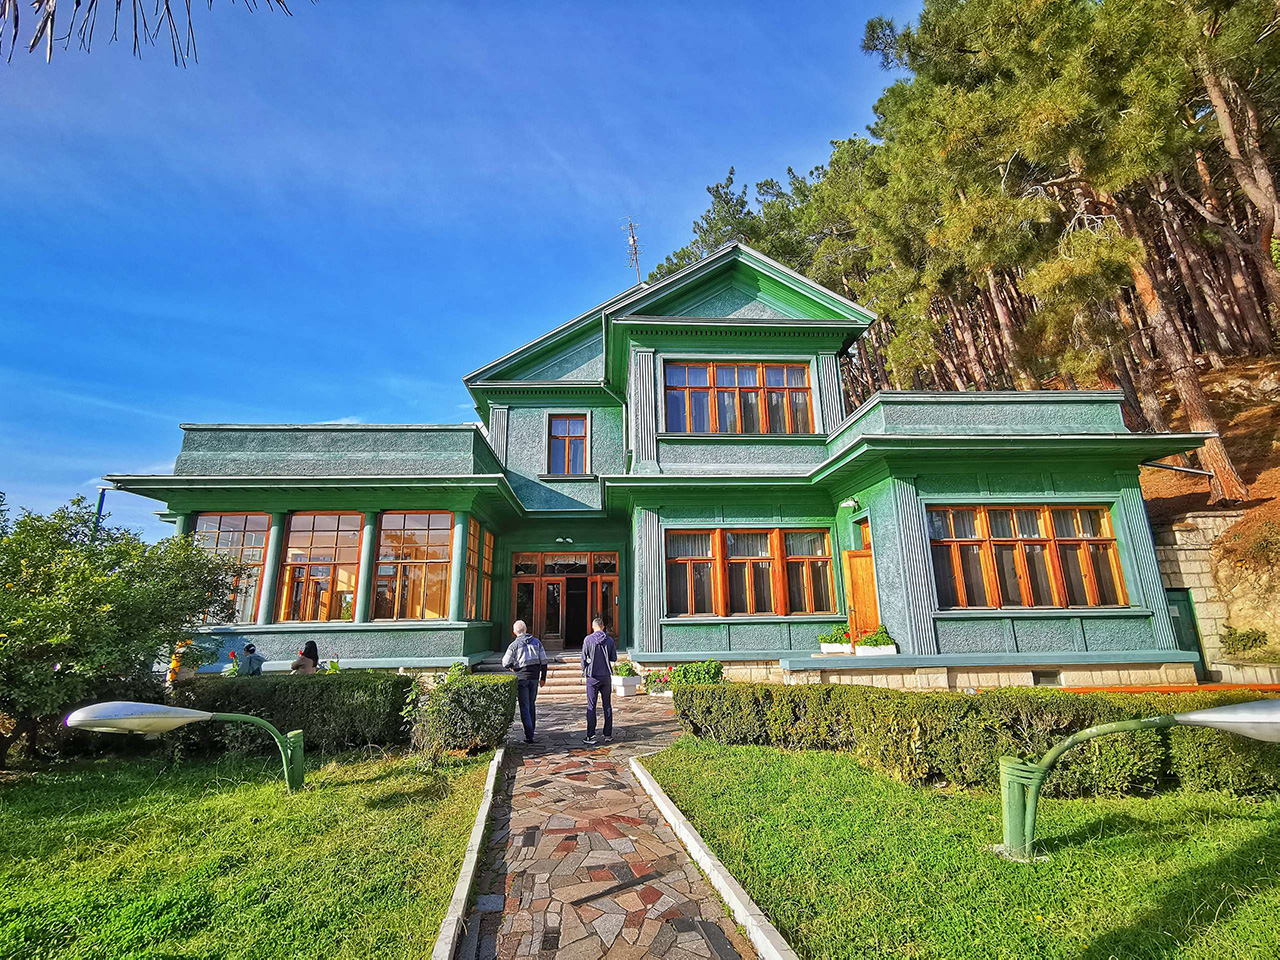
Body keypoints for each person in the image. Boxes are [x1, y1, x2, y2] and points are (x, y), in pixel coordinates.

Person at [502, 620, 548, 742]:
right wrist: (543, 678)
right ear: (526, 630)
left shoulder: (514, 645)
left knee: (524, 706)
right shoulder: (537, 643)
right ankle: (531, 729)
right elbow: (544, 661)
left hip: (521, 678)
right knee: (532, 704)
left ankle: (529, 734)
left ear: (514, 632)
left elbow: (505, 662)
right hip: (534, 678)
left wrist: (512, 667)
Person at [580, 616, 617, 745]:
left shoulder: (588, 640)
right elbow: (613, 658)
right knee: (607, 705)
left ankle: (591, 735)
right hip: (606, 675)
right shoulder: (610, 640)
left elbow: (583, 658)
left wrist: (584, 669)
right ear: (603, 627)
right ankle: (608, 734)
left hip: (592, 676)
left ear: (593, 627)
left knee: (591, 705)